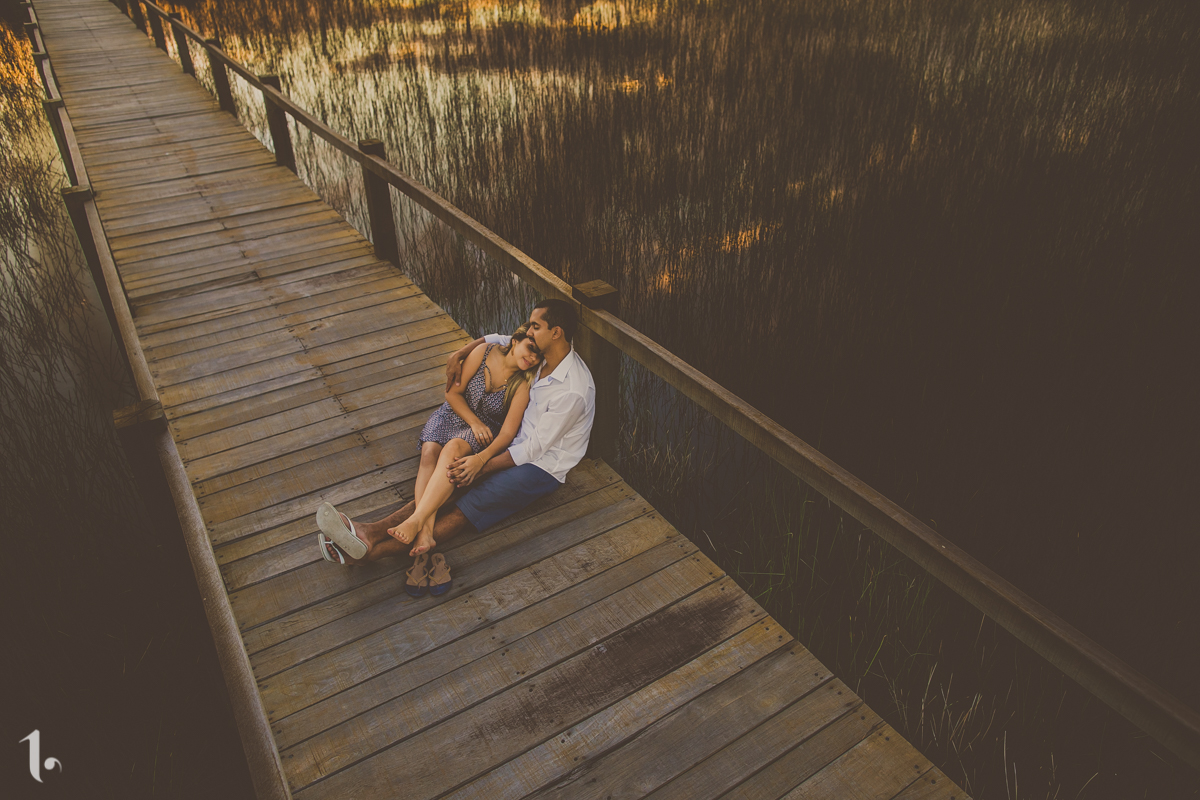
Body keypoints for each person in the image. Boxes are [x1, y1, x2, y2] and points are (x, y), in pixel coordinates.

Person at [316, 299, 595, 593]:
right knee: (453, 478)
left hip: (540, 467)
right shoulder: (541, 356)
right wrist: (461, 352)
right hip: (510, 446)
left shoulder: (572, 389)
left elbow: (532, 450)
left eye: (536, 326)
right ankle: (371, 532)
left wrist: (480, 464)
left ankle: (367, 552)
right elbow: (501, 340)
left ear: (555, 333)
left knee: (465, 502)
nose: (531, 331)